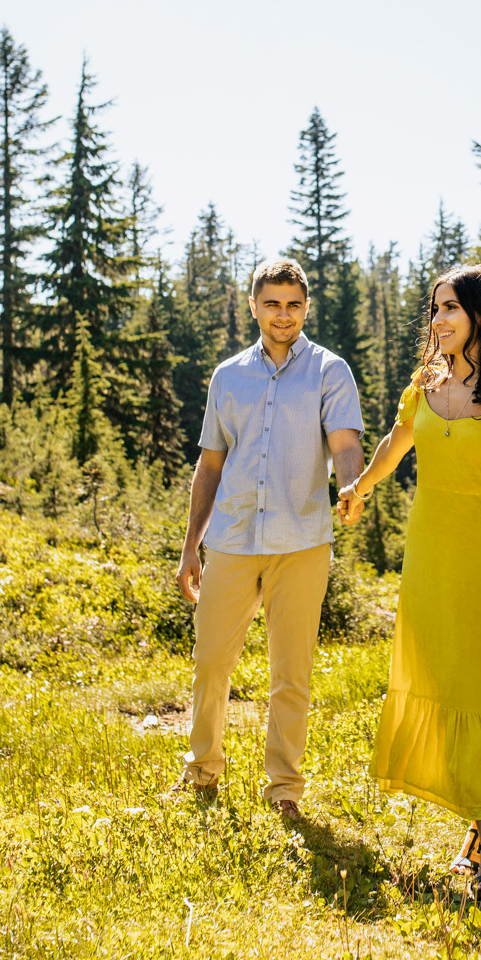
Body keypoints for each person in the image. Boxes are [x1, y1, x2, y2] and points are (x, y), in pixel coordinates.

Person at [336, 262, 481, 900]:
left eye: (451, 308)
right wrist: (360, 487)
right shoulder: (426, 382)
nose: (438, 320)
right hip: (429, 558)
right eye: (435, 308)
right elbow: (396, 442)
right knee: (443, 681)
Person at [175, 258, 365, 819]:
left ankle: (284, 788)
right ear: (253, 305)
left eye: (294, 304)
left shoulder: (331, 371)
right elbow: (210, 465)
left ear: (307, 308)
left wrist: (352, 483)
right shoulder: (228, 375)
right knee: (211, 661)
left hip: (302, 539)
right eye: (272, 303)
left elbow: (346, 442)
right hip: (231, 538)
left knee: (291, 672)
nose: (283, 315)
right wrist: (191, 546)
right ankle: (203, 771)